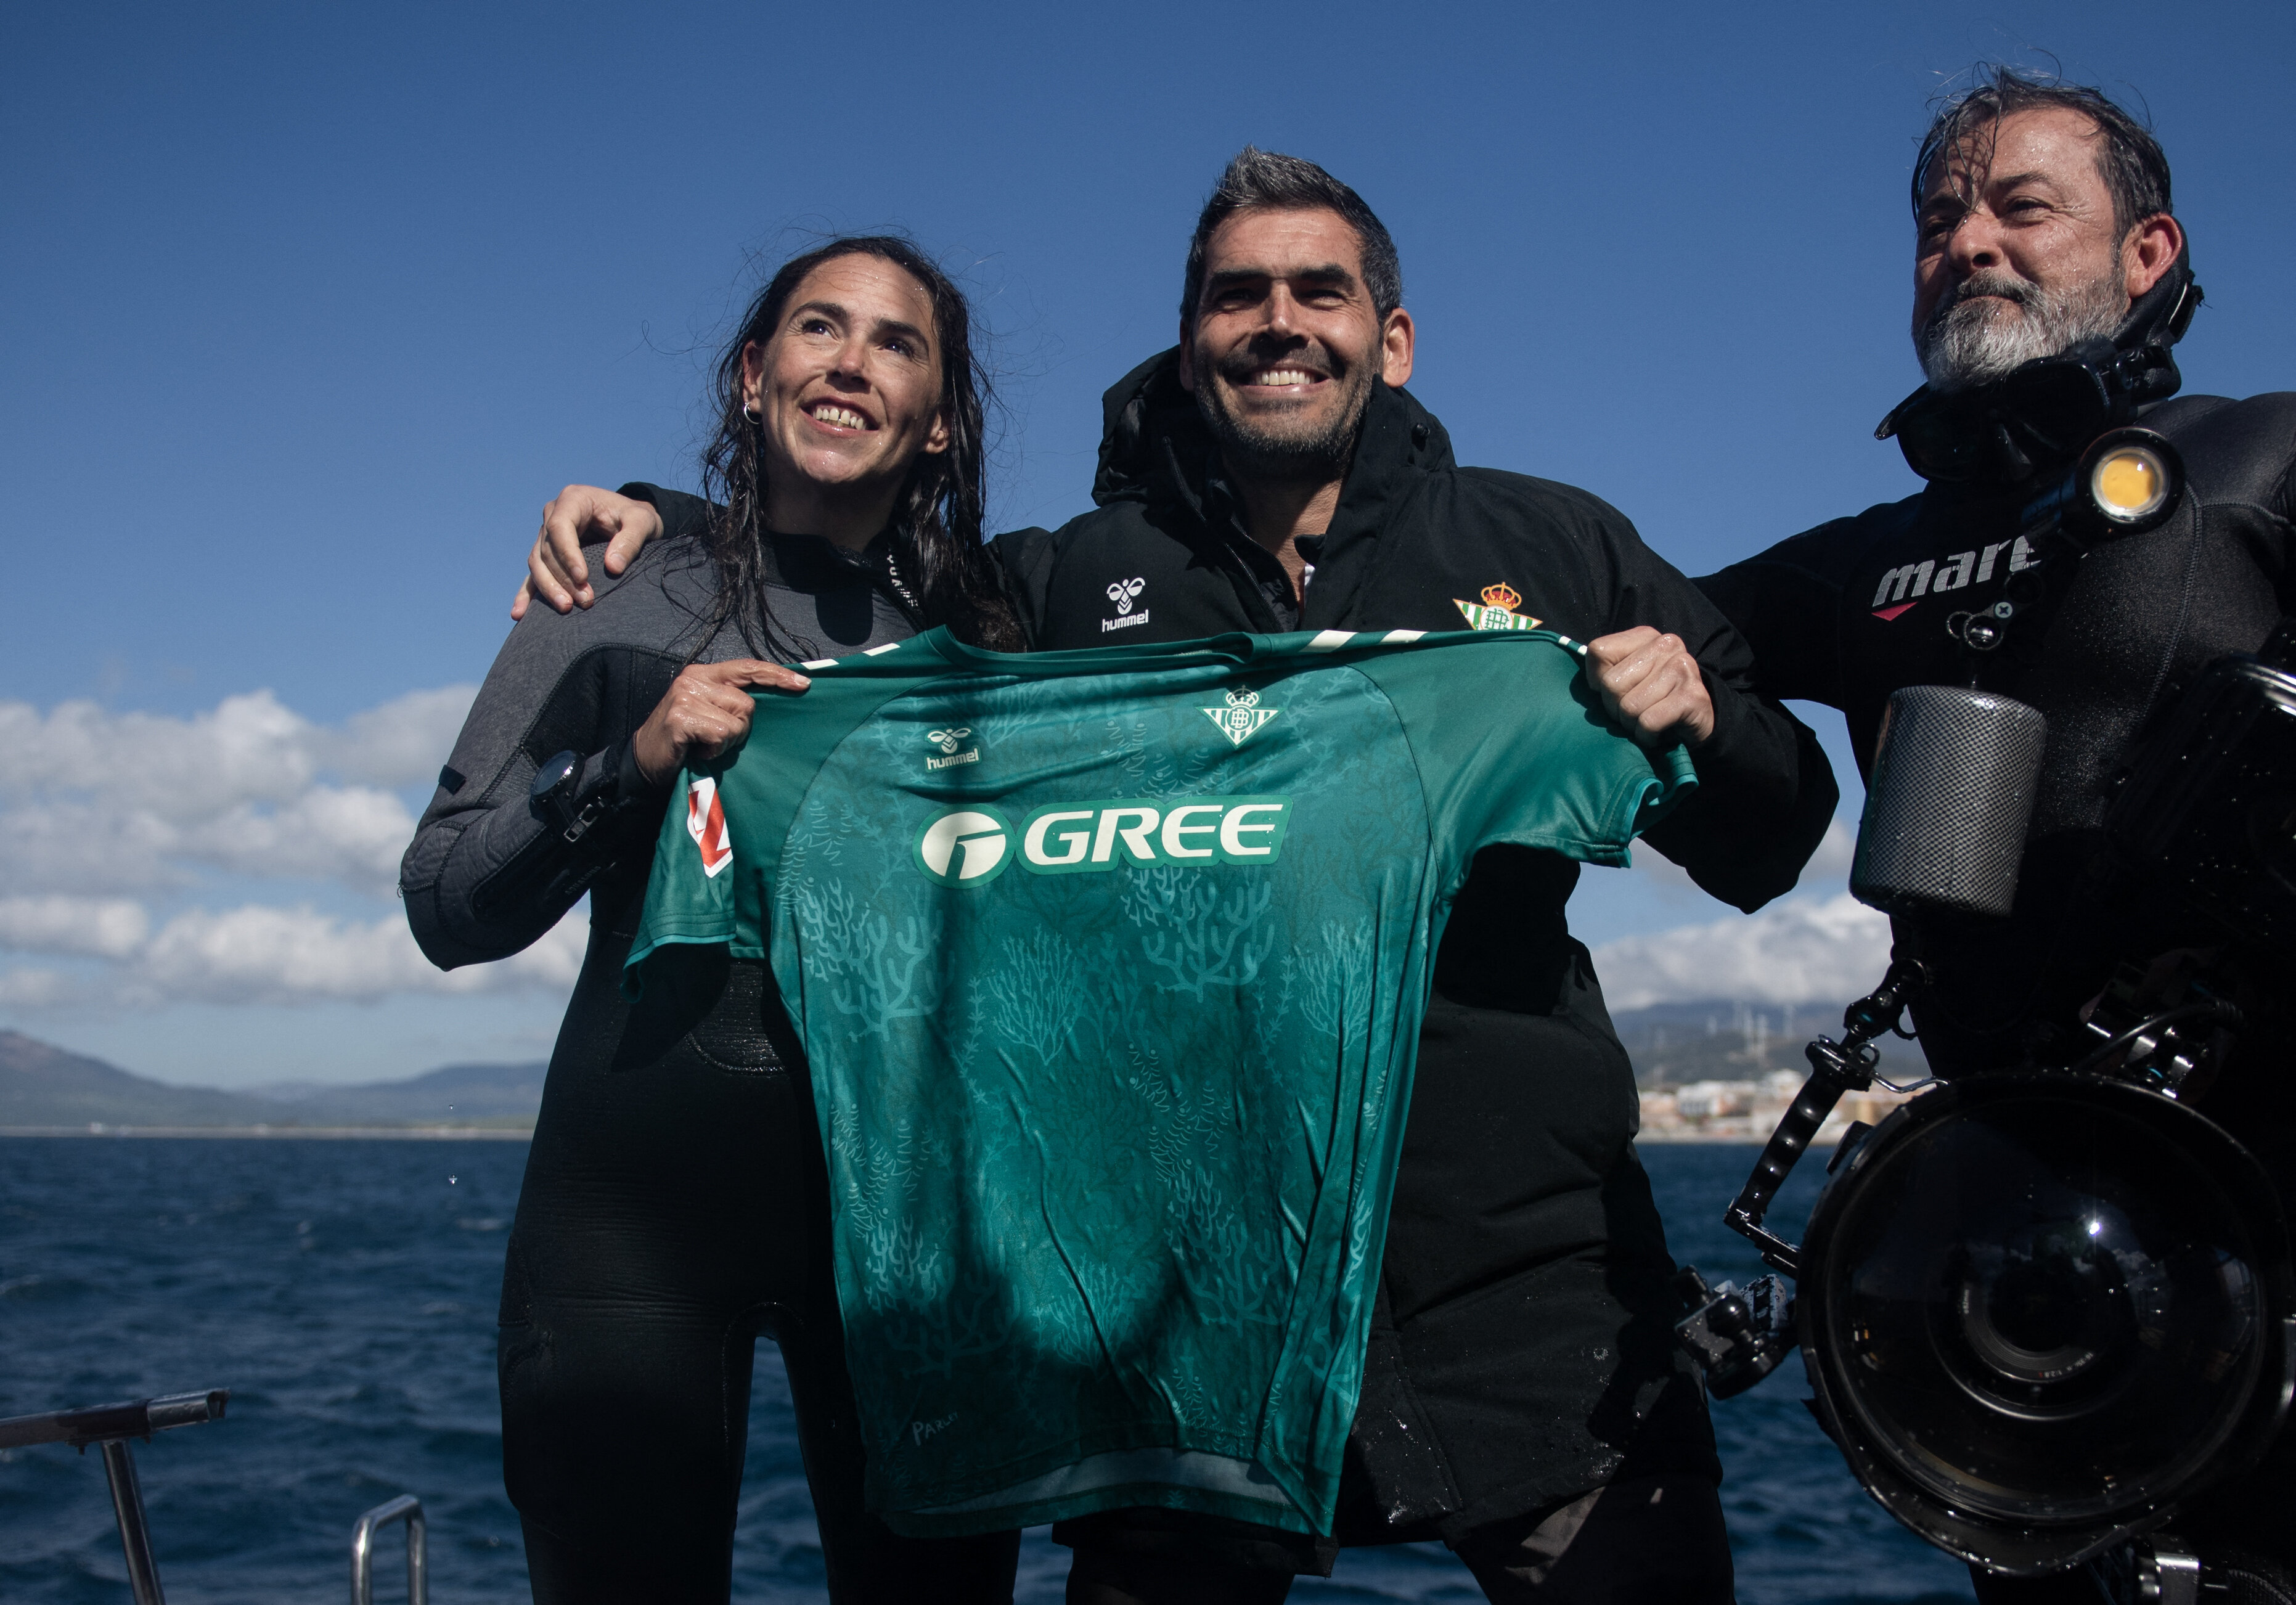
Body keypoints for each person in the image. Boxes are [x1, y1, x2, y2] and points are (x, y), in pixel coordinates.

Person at [528, 149, 1837, 1603]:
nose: (1278, 321)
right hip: (1174, 1325)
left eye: (1319, 291)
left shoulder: (1554, 548)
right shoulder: (1071, 583)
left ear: (1389, 339)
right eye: (1238, 295)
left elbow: (1773, 844)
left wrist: (1708, 722)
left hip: (1531, 1302)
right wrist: (682, 528)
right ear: (1191, 333)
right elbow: (857, 598)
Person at [1693, 70, 2296, 1600]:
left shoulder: (2263, 462)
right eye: (1938, 220)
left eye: (2021, 205)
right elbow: (1598, 620)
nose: (1969, 242)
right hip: (2021, 1269)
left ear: (2148, 252)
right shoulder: (1867, 564)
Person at [400, 236, 1027, 1604]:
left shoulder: (998, 641)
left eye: (896, 342)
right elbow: (444, 902)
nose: (850, 360)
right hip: (625, 1230)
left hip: (914, 1240)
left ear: (943, 417)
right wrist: (628, 766)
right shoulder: (619, 596)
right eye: (817, 328)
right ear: (756, 375)